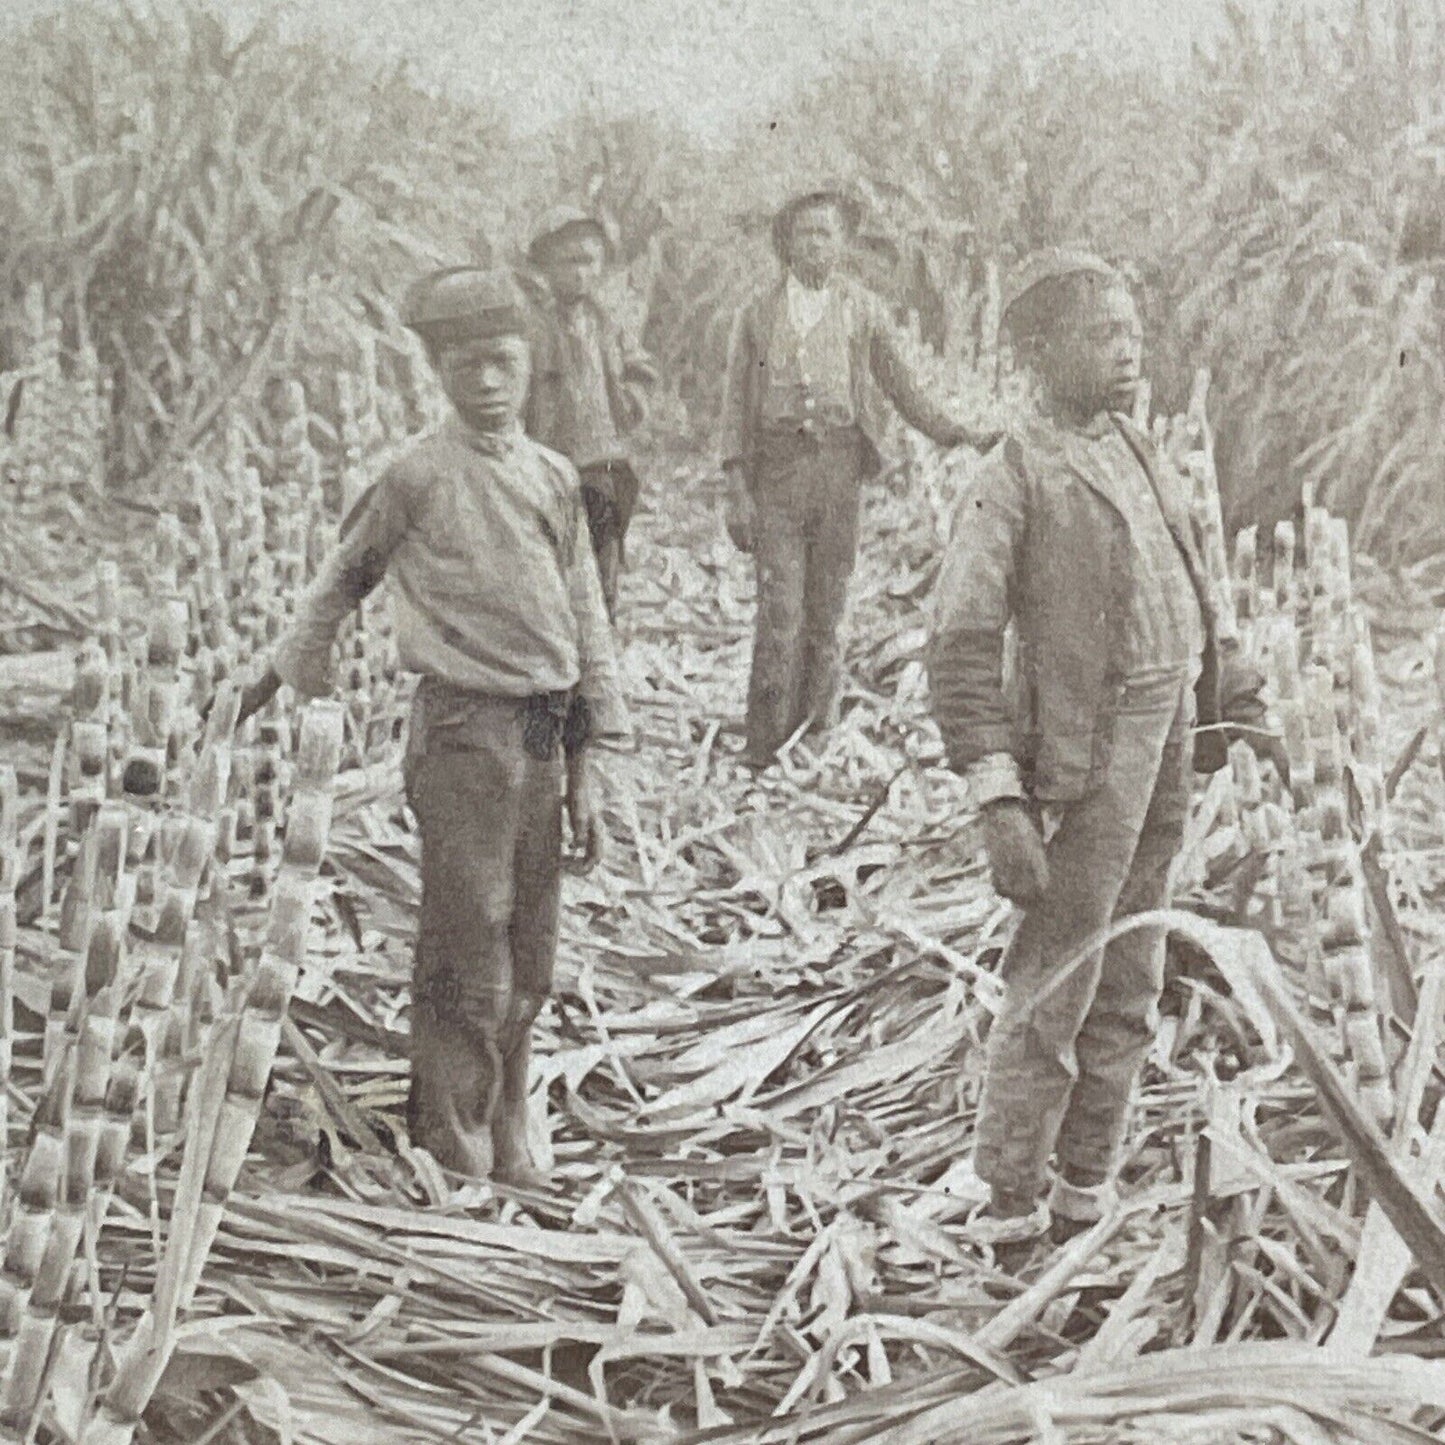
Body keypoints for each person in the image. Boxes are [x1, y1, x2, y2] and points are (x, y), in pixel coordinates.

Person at [232, 267, 631, 1186]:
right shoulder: (417, 474)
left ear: (529, 362)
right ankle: (452, 1146)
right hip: (461, 731)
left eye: (500, 362)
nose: (486, 382)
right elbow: (343, 575)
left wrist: (593, 756)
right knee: (467, 939)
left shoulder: (554, 477)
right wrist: (290, 666)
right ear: (437, 372)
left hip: (542, 728)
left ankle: (509, 1125)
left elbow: (586, 618)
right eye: (464, 366)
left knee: (531, 943)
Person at [926, 249, 1275, 1247]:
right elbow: (956, 642)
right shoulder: (1014, 472)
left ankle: (1085, 1180)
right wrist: (996, 798)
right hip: (1081, 759)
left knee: (1133, 967)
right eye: (1099, 334)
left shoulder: (1134, 445)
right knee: (1056, 975)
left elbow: (1199, 591)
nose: (1126, 352)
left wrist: (1239, 703)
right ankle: (1007, 1197)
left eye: (1130, 329)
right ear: (1035, 352)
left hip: (1166, 734)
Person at [717, 187, 998, 768]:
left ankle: (815, 732)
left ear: (843, 244)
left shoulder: (861, 310)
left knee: (827, 607)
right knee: (780, 612)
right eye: (805, 233)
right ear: (786, 244)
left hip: (840, 472)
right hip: (779, 474)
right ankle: (765, 740)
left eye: (827, 233)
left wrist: (956, 432)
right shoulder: (758, 313)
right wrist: (736, 486)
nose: (816, 243)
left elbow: (902, 385)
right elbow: (735, 405)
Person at [522, 206, 658, 621]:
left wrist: (631, 400)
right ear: (546, 266)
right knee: (551, 560)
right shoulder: (532, 326)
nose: (579, 273)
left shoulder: (609, 323)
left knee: (604, 554)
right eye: (568, 262)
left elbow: (640, 368)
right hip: (549, 461)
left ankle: (603, 638)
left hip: (604, 461)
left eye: (587, 261)